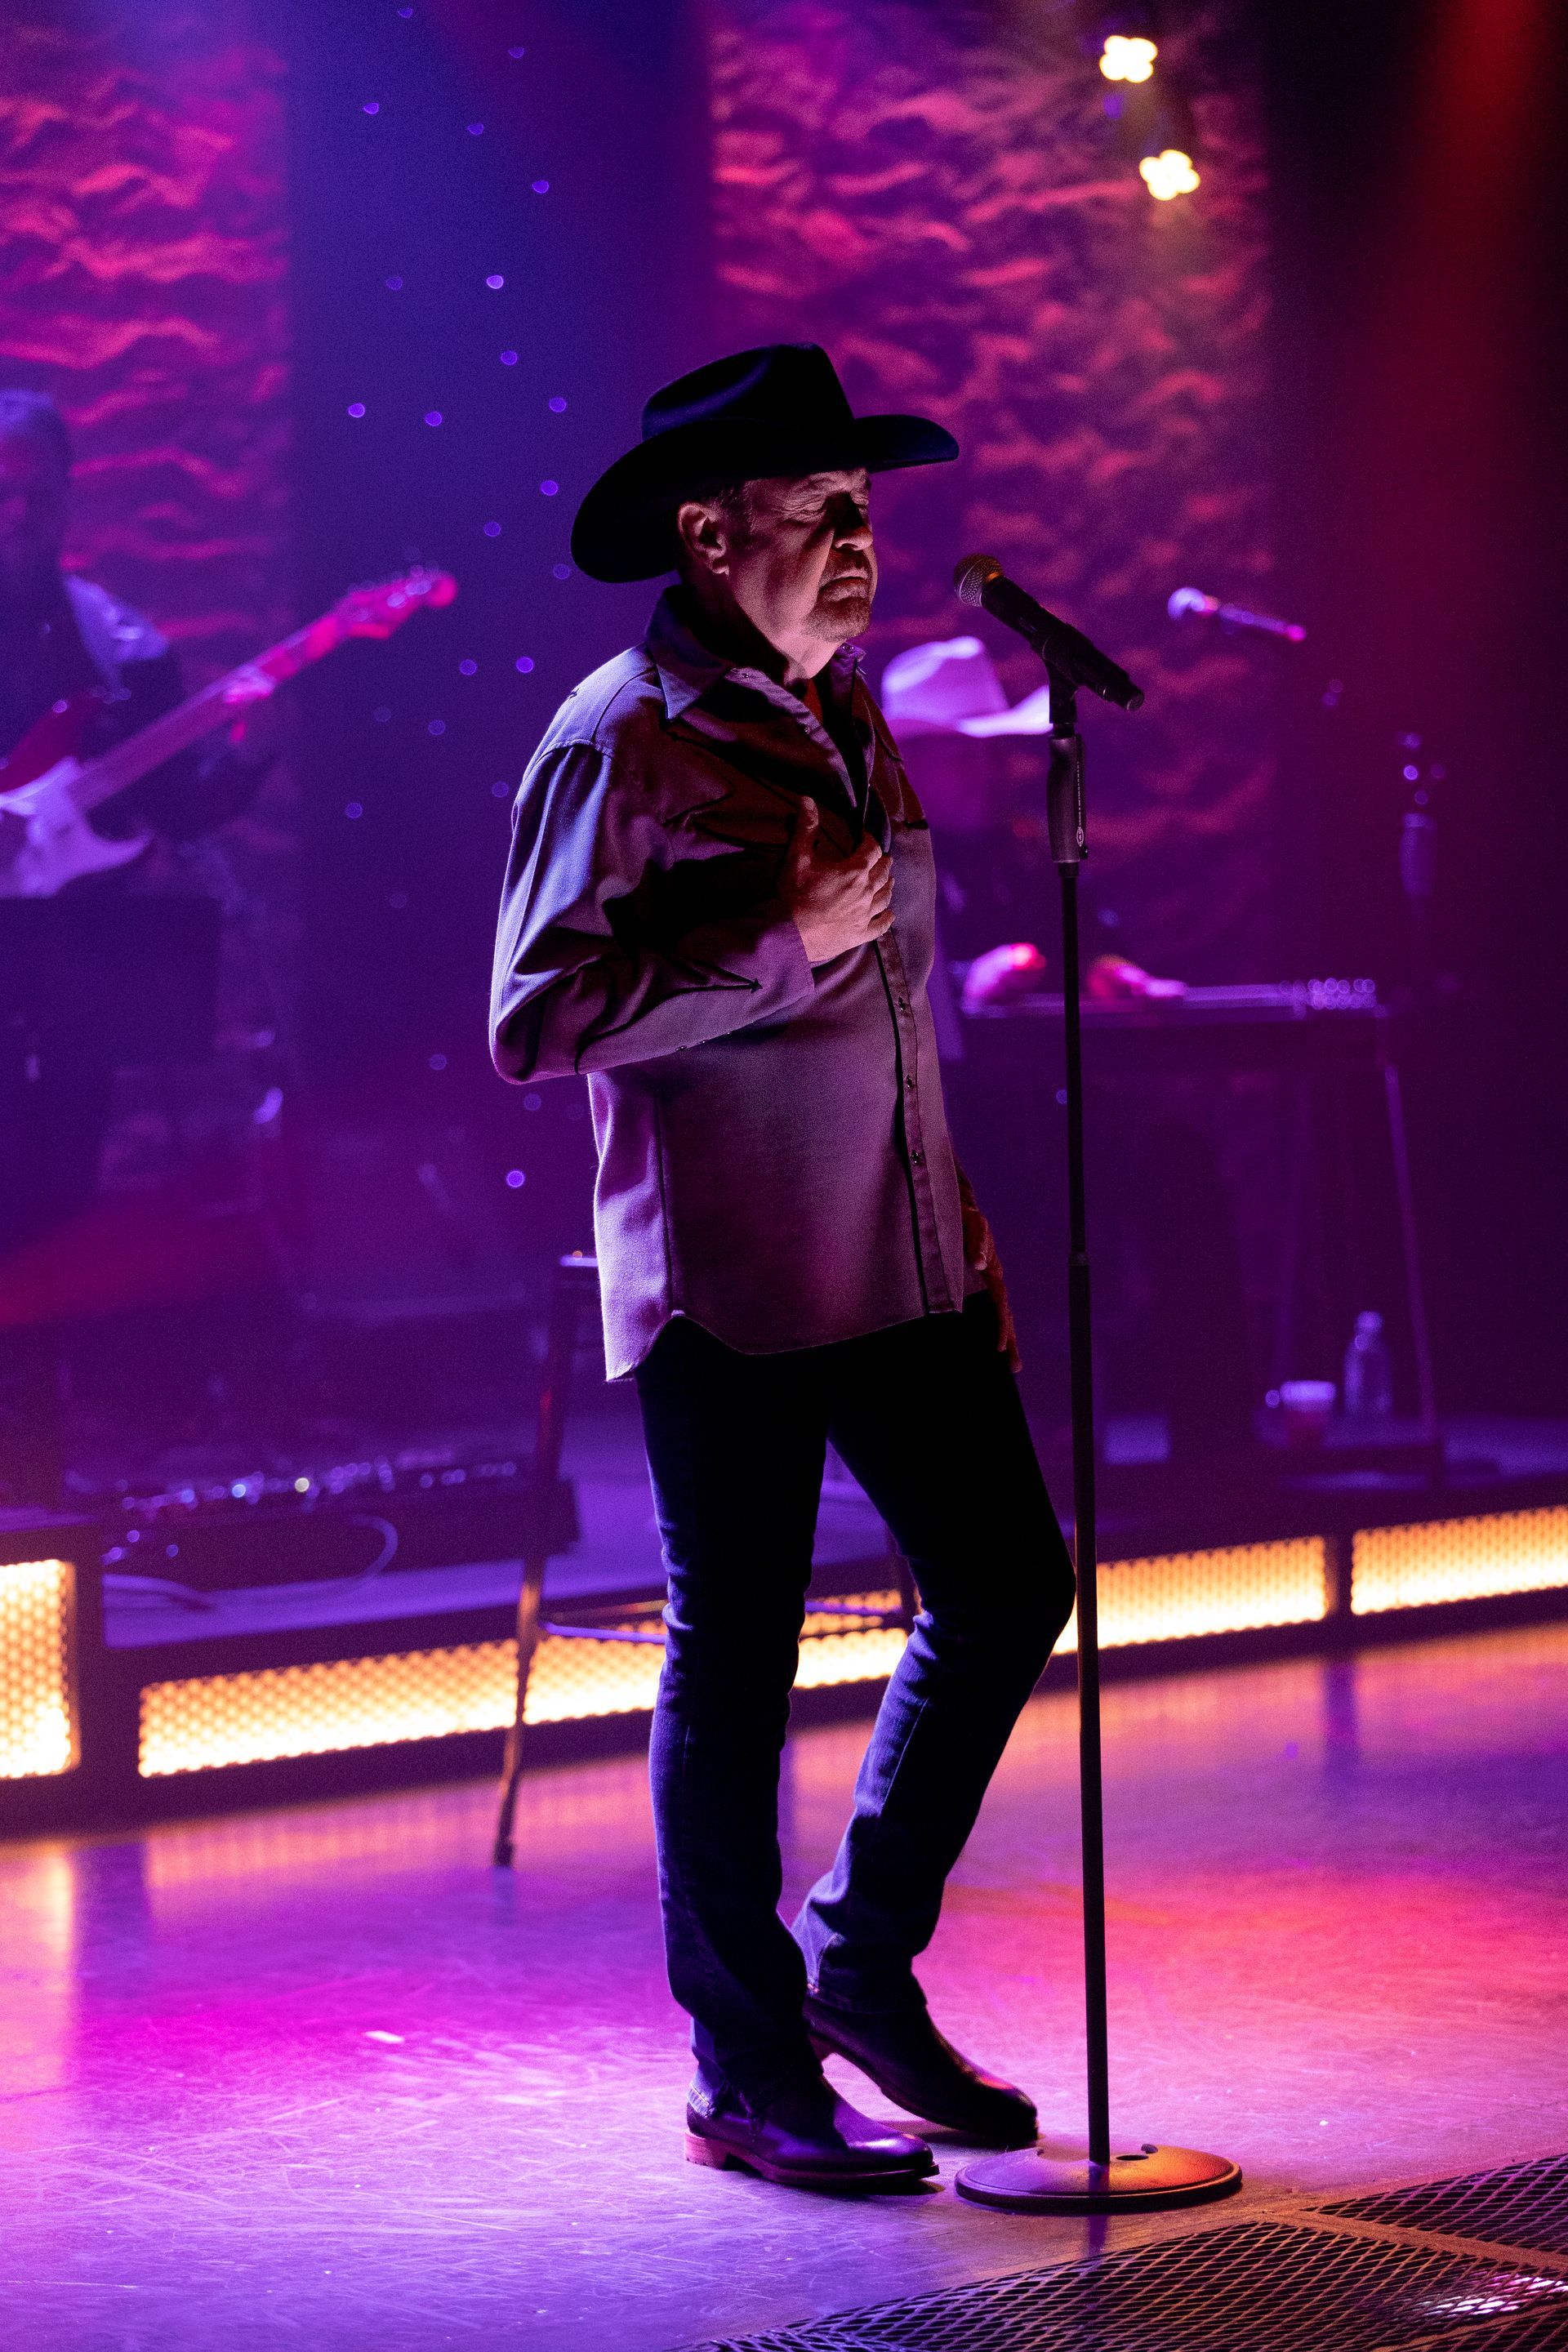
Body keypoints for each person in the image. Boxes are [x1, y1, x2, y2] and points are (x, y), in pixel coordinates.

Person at [491, 345, 1076, 2192]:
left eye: (867, 516)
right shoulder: (619, 733)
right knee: (733, 1656)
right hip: (731, 1273)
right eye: (822, 516)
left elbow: (890, 1000)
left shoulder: (839, 706)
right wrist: (771, 935)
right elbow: (537, 1020)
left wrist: (952, 1213)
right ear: (706, 529)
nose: (858, 551)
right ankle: (745, 2069)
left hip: (894, 1254)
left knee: (1005, 1586)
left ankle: (858, 1967)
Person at [0, 388, 273, 1501]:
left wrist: (238, 757)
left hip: (70, 973)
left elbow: (170, 804)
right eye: (0, 486)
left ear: (66, 495)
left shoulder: (116, 643)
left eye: (35, 487)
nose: (16, 506)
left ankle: (32, 1473)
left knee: (56, 1203)